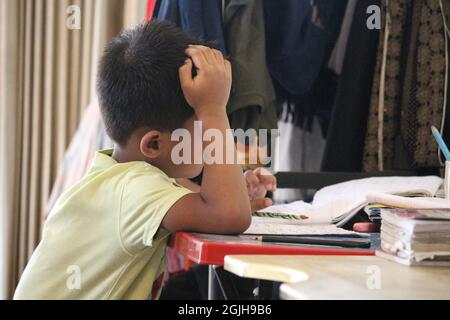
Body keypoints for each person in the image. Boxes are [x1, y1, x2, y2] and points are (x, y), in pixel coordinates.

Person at [14, 20, 276, 300]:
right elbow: (228, 215)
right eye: (204, 128)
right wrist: (213, 108)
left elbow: (210, 202)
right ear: (154, 144)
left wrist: (237, 188)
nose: (212, 138)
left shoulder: (121, 177)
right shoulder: (135, 187)